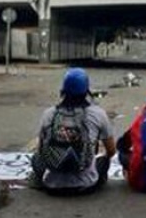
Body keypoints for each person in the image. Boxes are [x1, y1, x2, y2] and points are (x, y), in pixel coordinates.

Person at [30, 68, 116, 196]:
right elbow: (111, 150)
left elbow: (41, 150)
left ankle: (39, 180)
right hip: (86, 185)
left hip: (52, 185)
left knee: (35, 158)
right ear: (87, 91)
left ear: (63, 91)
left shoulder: (49, 114)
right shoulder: (98, 114)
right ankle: (98, 180)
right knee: (104, 161)